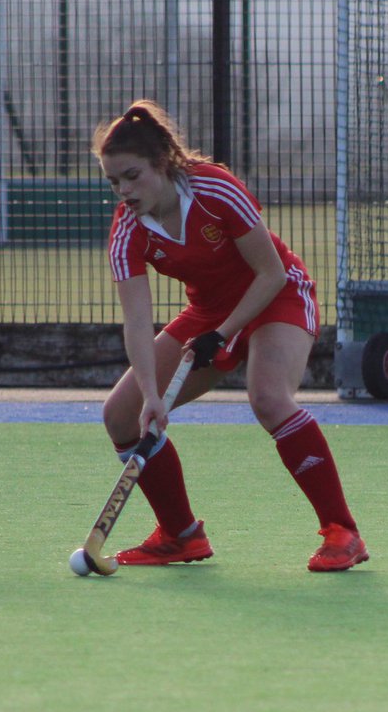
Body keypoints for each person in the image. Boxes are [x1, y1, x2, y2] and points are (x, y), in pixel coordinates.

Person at [93, 100, 368, 572]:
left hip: (277, 294)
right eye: (114, 181)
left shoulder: (214, 189)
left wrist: (222, 334)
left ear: (162, 164)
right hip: (209, 313)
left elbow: (271, 272)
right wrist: (153, 397)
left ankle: (342, 531)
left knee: (268, 398)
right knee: (122, 414)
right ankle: (180, 535)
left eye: (132, 176)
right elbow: (137, 321)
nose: (124, 191)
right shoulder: (128, 230)